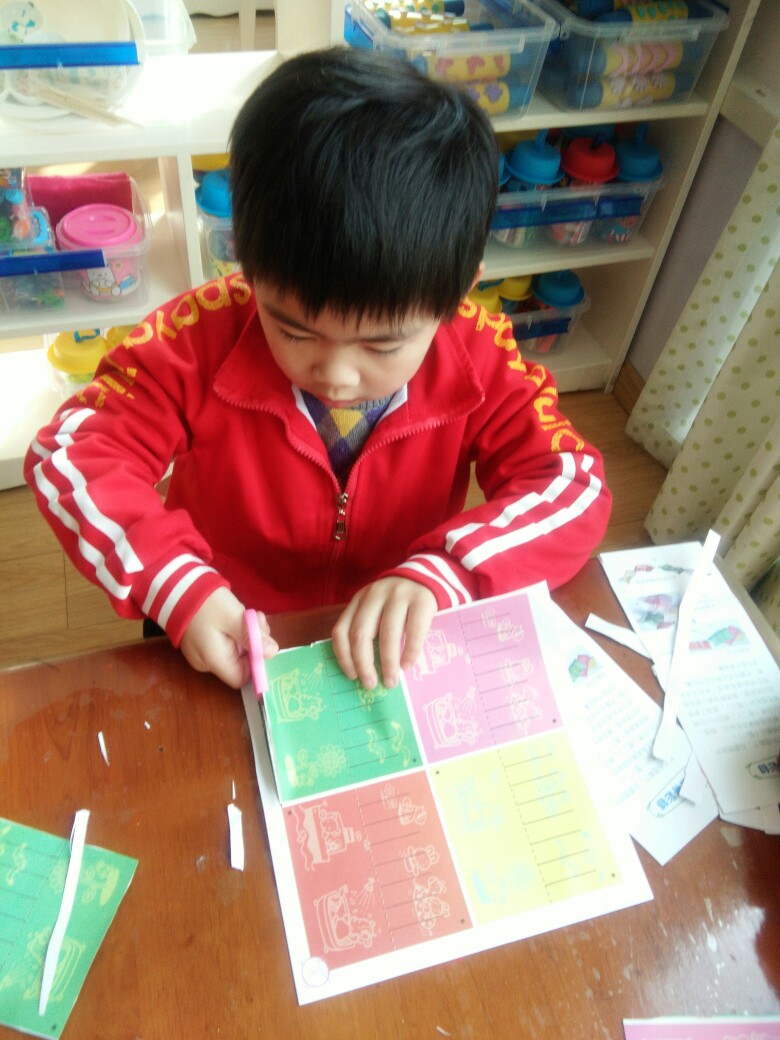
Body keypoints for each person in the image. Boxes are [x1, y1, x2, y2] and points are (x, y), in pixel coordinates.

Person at [25, 47, 611, 694]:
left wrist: (453, 569)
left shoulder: (479, 354)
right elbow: (69, 454)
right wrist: (174, 581)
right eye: (294, 330)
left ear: (456, 295)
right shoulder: (197, 338)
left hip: (386, 643)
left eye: (382, 346)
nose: (336, 376)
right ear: (249, 268)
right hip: (219, 626)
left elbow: (572, 485)